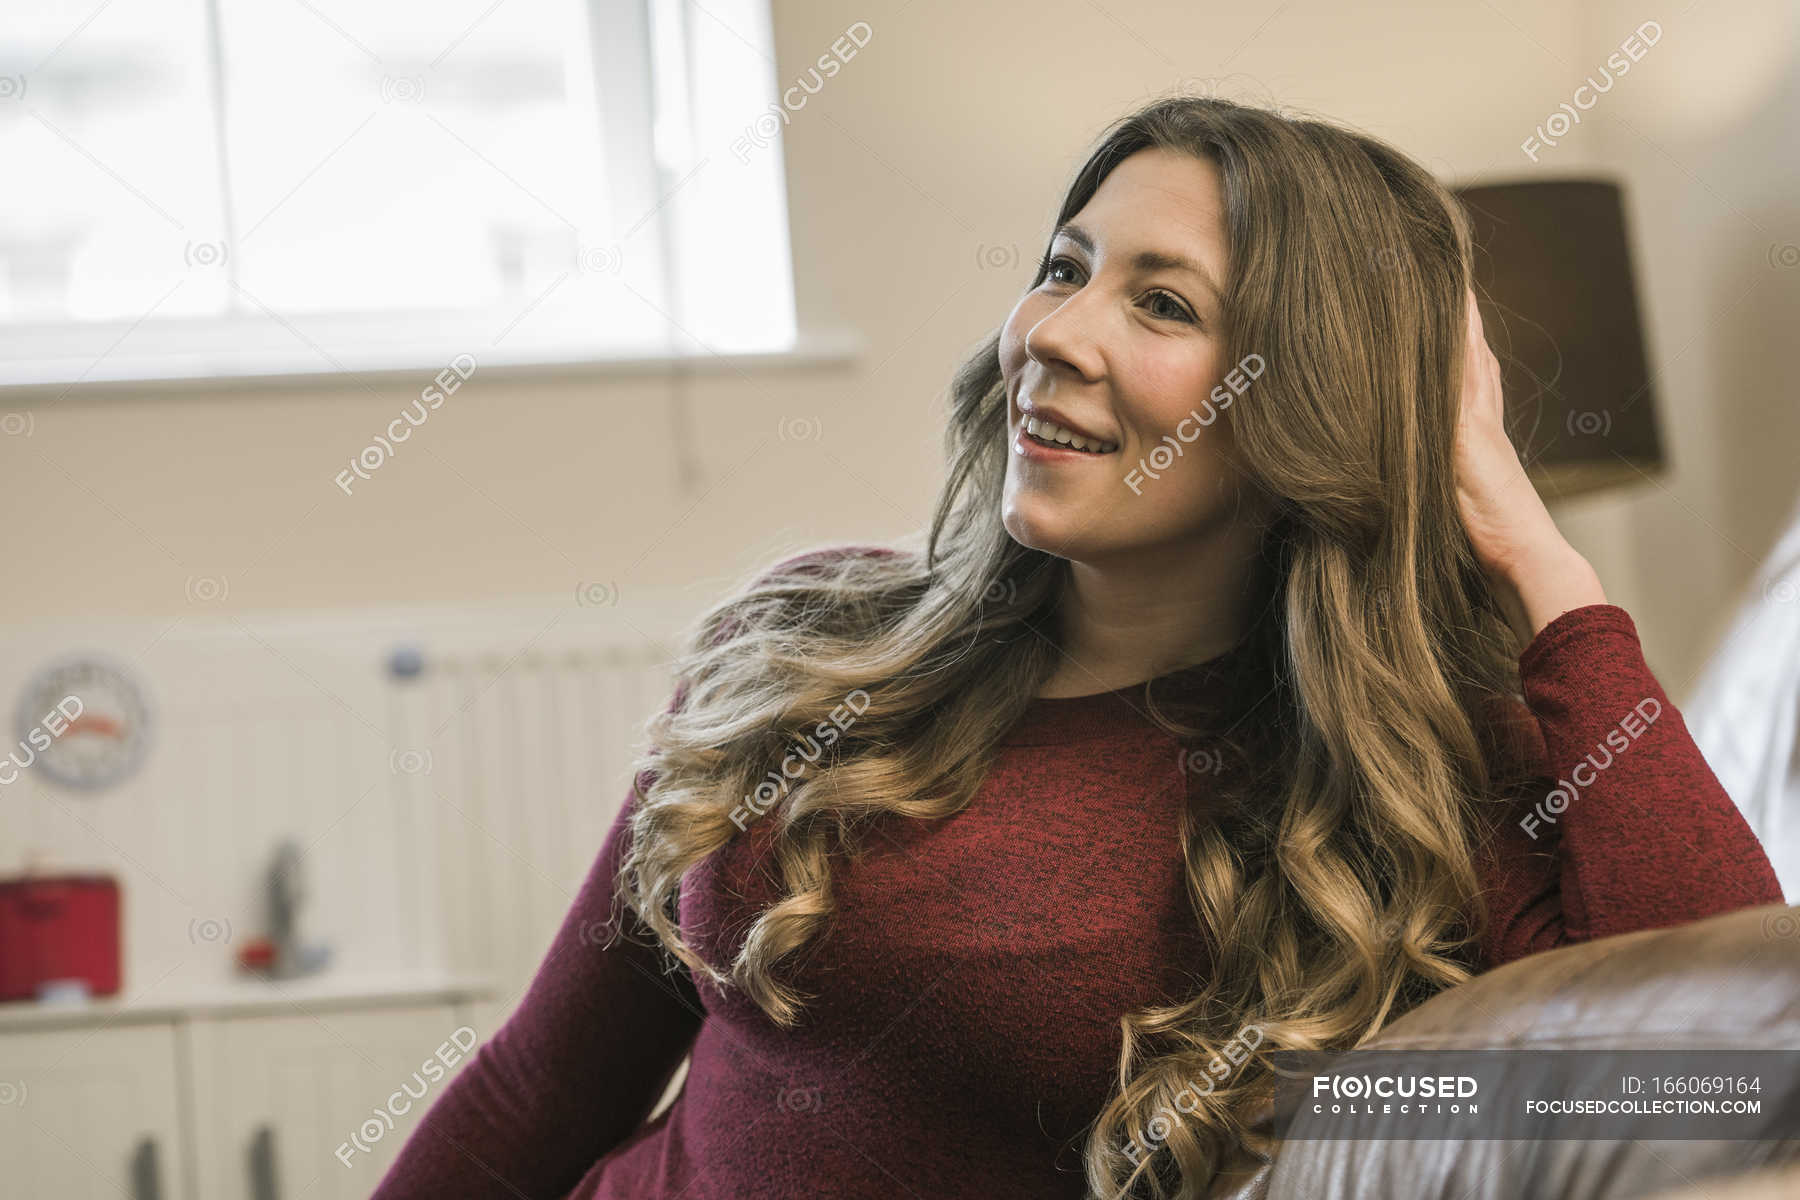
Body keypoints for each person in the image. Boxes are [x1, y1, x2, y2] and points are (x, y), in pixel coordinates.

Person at [370, 95, 1784, 1200]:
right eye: (1065, 269)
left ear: (1308, 404)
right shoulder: (804, 639)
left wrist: (1530, 543)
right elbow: (538, 1089)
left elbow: (1728, 1052)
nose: (1051, 335)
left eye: (1163, 304)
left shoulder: (1416, 780)